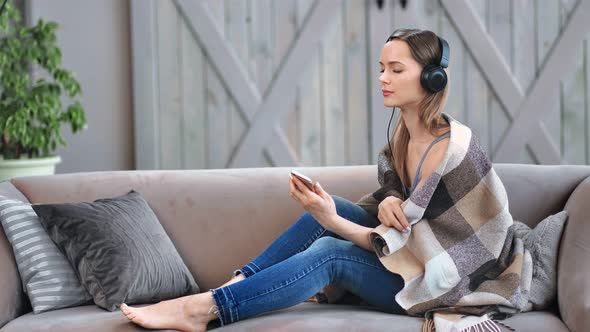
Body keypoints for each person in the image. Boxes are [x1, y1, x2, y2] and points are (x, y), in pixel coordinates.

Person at [119, 28, 452, 332]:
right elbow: (395, 183)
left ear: (432, 77)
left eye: (396, 70)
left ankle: (204, 309)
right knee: (328, 208)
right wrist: (391, 196)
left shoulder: (451, 151)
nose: (383, 78)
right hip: (407, 261)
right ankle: (230, 288)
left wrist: (332, 221)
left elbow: (421, 247)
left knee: (330, 252)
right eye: (381, 68)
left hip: (432, 284)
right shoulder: (404, 138)